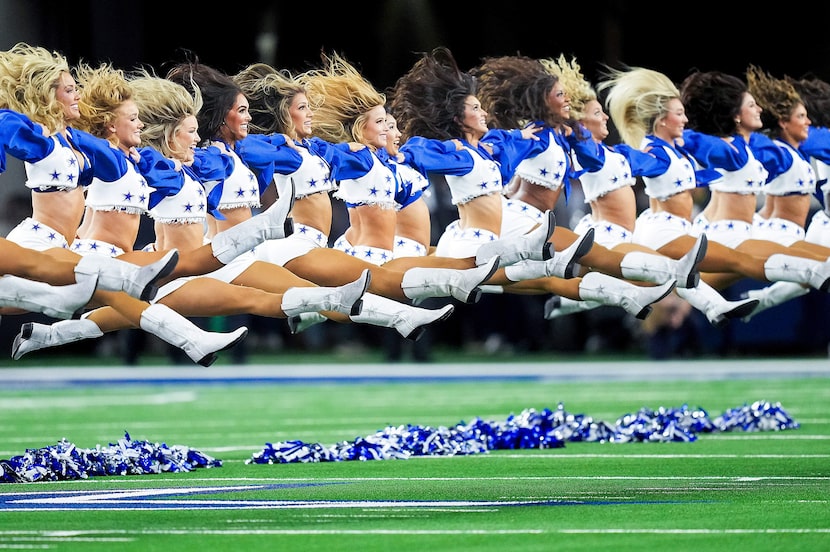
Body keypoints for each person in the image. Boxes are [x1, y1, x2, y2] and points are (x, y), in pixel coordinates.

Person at [11, 66, 374, 361]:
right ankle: (269, 239)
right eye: (133, 118)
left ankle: (51, 333)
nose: (196, 138)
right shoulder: (108, 155)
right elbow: (24, 131)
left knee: (167, 296)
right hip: (73, 248)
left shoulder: (141, 159)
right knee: (172, 285)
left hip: (129, 256)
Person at [168, 58, 500, 341]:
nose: (310, 114)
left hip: (289, 245)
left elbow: (331, 153)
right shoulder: (257, 151)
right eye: (302, 108)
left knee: (332, 298)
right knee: (362, 284)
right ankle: (428, 298)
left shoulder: (306, 150)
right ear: (285, 114)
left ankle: (372, 312)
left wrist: (355, 147)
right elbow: (241, 150)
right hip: (286, 246)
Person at [0, 42, 248, 366]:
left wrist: (164, 162)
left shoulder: (69, 143)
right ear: (49, 94)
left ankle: (190, 337)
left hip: (67, 244)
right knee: (107, 289)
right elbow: (7, 125)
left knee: (109, 293)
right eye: (69, 89)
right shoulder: (46, 140)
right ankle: (187, 332)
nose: (77, 96)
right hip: (41, 240)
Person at [469, 54, 712, 321]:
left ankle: (471, 277)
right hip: (521, 220)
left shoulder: (560, 136)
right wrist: (505, 140)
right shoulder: (536, 134)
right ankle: (671, 274)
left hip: (534, 221)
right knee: (590, 255)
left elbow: (588, 147)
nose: (566, 100)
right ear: (544, 101)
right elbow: (498, 145)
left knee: (549, 277)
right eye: (559, 94)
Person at [677, 69, 830, 316]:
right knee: (677, 281)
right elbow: (698, 143)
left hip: (753, 230)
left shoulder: (767, 148)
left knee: (685, 282)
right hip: (755, 231)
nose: (808, 123)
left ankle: (708, 302)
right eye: (801, 116)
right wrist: (674, 133)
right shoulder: (759, 149)